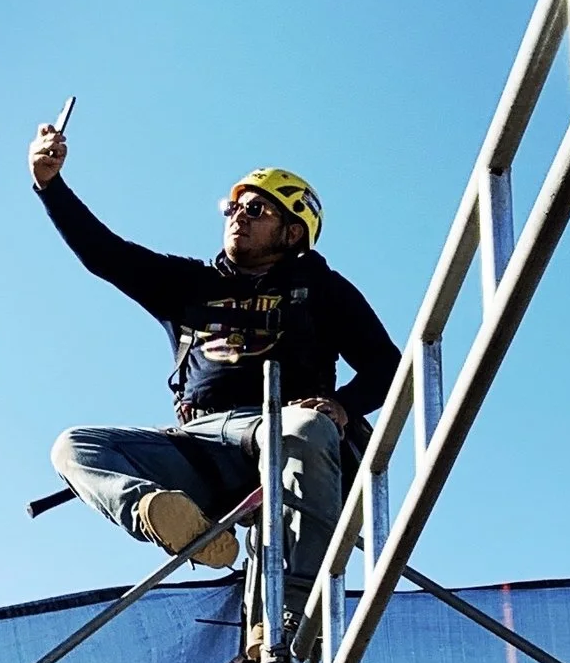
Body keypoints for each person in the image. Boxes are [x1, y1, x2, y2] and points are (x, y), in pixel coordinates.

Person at [29, 117, 400, 610]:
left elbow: (387, 366)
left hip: (284, 432)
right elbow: (106, 255)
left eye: (256, 209)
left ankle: (294, 603)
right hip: (204, 442)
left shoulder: (323, 291)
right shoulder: (189, 285)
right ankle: (170, 519)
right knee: (73, 447)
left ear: (293, 233)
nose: (237, 216)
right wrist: (50, 186)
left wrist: (341, 407)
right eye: (233, 207)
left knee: (308, 429)